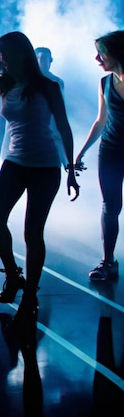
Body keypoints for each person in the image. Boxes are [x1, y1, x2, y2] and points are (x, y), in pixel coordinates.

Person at [0, 25, 79, 323]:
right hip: (14, 162)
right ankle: (14, 275)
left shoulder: (47, 87)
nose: (1, 60)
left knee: (32, 232)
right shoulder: (4, 83)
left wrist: (71, 168)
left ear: (19, 54)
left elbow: (64, 126)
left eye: (4, 55)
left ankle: (29, 295)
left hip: (45, 166)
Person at [75, 31, 124, 282]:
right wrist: (81, 152)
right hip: (111, 149)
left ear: (116, 53)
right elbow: (101, 120)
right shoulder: (104, 83)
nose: (97, 58)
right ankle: (108, 261)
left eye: (101, 52)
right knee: (110, 206)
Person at [0, 46, 66, 175]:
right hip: (16, 138)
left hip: (45, 138)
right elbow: (3, 115)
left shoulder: (56, 83)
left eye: (44, 59)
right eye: (38, 58)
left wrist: (67, 161)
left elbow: (60, 118)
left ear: (51, 60)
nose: (41, 62)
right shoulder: (19, 80)